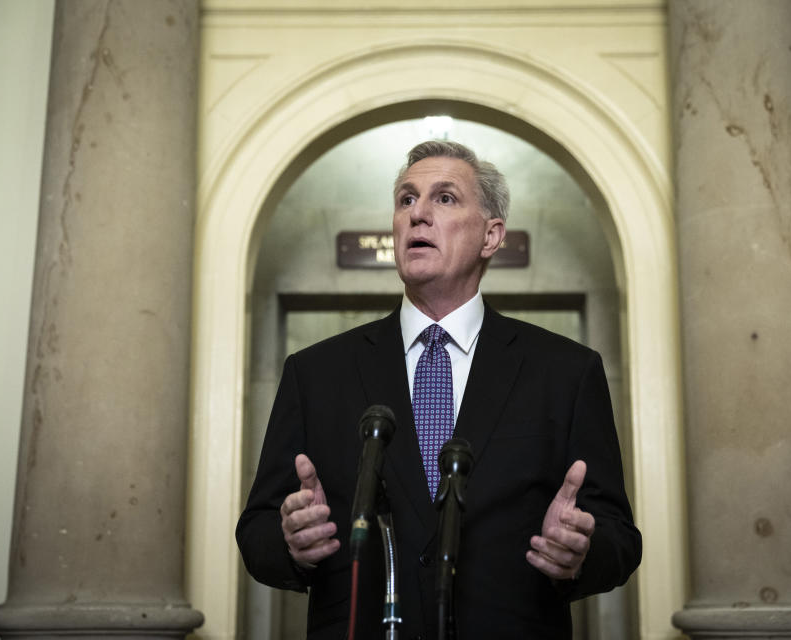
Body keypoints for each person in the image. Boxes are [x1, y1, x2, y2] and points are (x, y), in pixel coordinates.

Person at [236, 140, 641, 639]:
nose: (418, 214)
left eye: (444, 198)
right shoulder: (316, 372)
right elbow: (256, 531)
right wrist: (290, 542)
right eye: (406, 199)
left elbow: (620, 539)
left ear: (491, 236)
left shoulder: (566, 372)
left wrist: (581, 551)